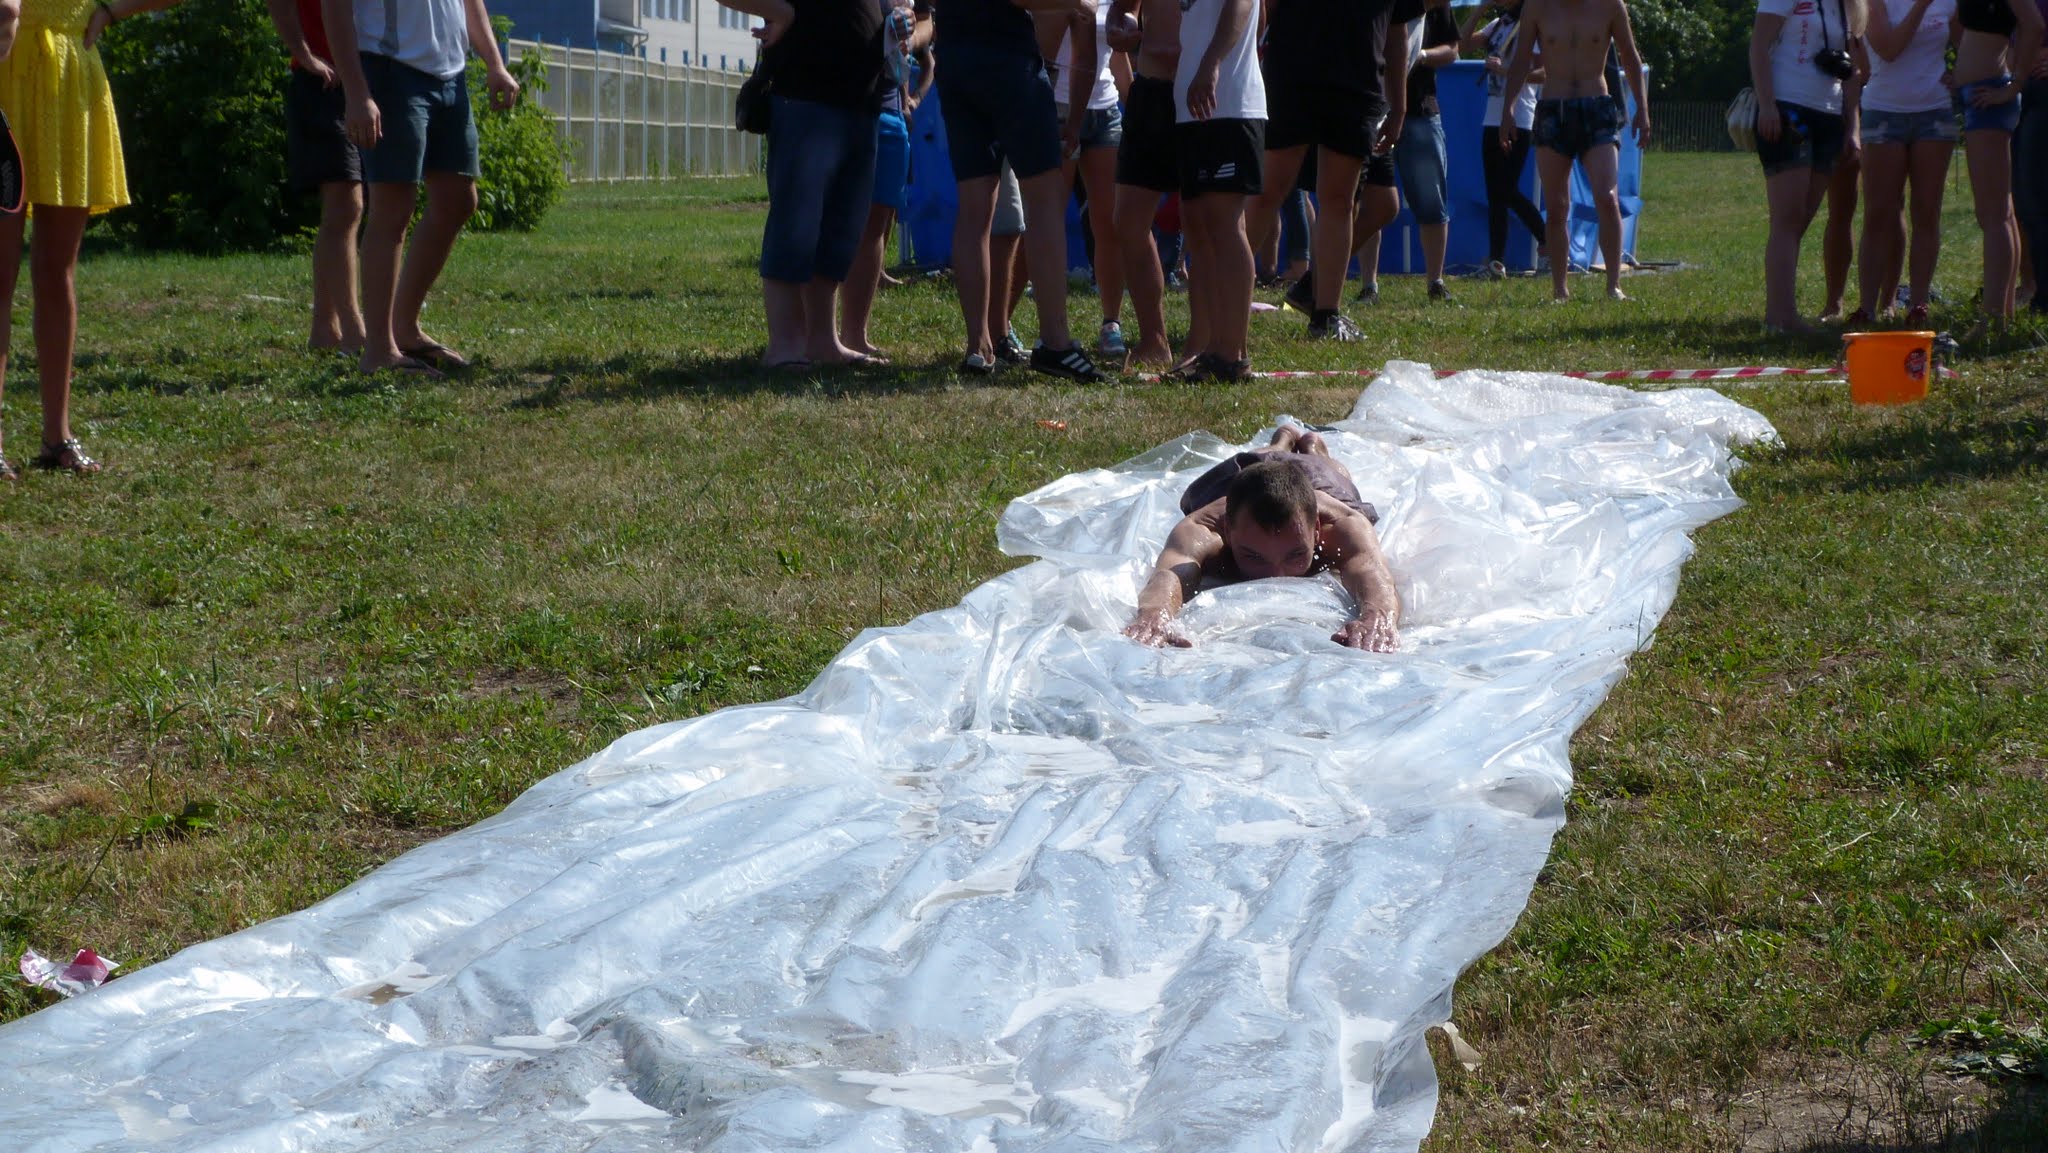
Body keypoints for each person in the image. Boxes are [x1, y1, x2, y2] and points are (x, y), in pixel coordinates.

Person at [0, 0, 188, 479]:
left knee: (56, 272)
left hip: (69, 81)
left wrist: (111, 9)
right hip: (4, 77)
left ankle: (57, 436)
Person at [324, 0, 518, 378]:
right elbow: (335, 8)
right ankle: (378, 351)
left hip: (451, 74)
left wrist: (495, 64)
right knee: (393, 209)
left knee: (458, 200)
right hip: (390, 71)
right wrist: (357, 93)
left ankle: (405, 329)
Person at [935, 0, 1108, 380]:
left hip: (953, 57)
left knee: (974, 209)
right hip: (1008, 61)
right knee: (1044, 200)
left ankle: (979, 346)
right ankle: (1056, 343)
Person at [1123, 425, 1401, 652]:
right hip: (1241, 483)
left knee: (1332, 471)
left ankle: (1313, 447)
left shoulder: (1341, 525)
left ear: (1316, 529)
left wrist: (1377, 617)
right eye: (1254, 556)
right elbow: (1169, 573)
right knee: (1257, 459)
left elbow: (1371, 570)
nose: (1277, 575)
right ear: (1228, 531)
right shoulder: (1203, 529)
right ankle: (1280, 442)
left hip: (1313, 485)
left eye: (1295, 554)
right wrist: (1155, 616)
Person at [1248, 0, 1420, 341]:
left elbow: (1398, 30)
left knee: (1340, 200)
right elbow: (1264, 8)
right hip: (1292, 75)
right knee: (1268, 190)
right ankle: (1221, 303)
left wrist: (1399, 106)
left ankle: (1326, 316)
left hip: (1357, 83)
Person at [1499, 0, 1649, 303]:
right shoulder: (1537, 8)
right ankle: (1560, 289)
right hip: (1553, 110)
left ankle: (1613, 286)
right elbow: (1521, 60)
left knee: (1607, 197)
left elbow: (1630, 56)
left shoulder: (1610, 6)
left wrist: (1642, 110)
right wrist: (1508, 109)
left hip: (1597, 108)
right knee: (1557, 206)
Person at [1750, 0, 1866, 333]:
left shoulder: (1850, 5)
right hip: (1789, 108)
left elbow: (1854, 71)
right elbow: (1758, 47)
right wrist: (1767, 105)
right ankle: (1779, 316)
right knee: (1787, 218)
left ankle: (1785, 312)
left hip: (1829, 116)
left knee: (1799, 219)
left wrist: (1851, 126)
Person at [1162, 0, 1263, 381]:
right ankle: (1214, 347)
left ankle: (1230, 355)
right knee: (1201, 230)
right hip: (1195, 106)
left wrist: (1211, 63)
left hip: (1229, 103)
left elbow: (1242, 4)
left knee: (1225, 225)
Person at [267, 0, 366, 362]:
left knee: (347, 210)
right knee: (345, 205)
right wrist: (304, 54)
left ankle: (325, 329)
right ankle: (355, 331)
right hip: (325, 83)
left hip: (366, 81)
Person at [1850, 0, 1953, 324]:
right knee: (1879, 213)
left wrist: (1963, 73)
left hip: (1934, 113)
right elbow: (1888, 49)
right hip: (1884, 112)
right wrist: (1921, 5)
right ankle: (1868, 307)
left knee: (1927, 211)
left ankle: (1918, 304)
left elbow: (1974, 39)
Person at [842, 0, 933, 361]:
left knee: (877, 224)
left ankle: (855, 334)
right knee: (836, 218)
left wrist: (912, 36)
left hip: (892, 109)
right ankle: (818, 333)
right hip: (844, 103)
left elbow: (927, 21)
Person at [1354, 0, 1462, 303]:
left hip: (1421, 110)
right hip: (1377, 110)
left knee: (1431, 201)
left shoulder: (1436, 4)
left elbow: (1453, 50)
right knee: (1371, 200)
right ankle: (1369, 285)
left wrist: (1422, 55)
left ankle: (1435, 282)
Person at [1952, 0, 2042, 335]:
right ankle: (2001, 313)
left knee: (1994, 215)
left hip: (1989, 95)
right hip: (1977, 94)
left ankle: (1992, 319)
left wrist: (2014, 84)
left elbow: (2034, 25)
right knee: (1998, 213)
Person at [1050, 0, 1130, 358]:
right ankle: (1047, 328)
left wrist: (1136, 104)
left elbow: (1115, 54)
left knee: (1110, 222)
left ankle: (1112, 322)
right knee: (1046, 222)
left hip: (1104, 109)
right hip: (1059, 108)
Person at [1107, 0, 1182, 367]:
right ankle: (1154, 339)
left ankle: (1214, 340)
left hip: (1207, 92)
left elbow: (1252, 20)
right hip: (1151, 92)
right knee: (1128, 221)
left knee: (1210, 225)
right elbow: (1121, 12)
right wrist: (1121, 29)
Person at [1466, 0, 1545, 279]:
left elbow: (1543, 73)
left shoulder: (1532, 25)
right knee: (1495, 193)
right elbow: (1463, 44)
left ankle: (1547, 240)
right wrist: (1479, 9)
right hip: (1492, 116)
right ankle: (1496, 261)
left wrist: (1505, 72)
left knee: (1506, 189)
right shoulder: (1499, 23)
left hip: (1519, 116)